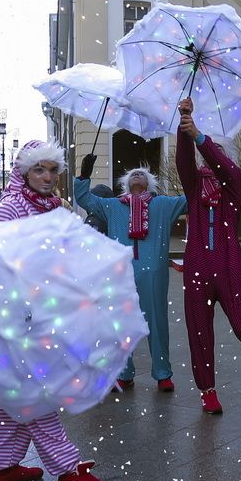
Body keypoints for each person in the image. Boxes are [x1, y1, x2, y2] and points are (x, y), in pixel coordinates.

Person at [0, 139, 114, 481]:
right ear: (24, 172)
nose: (47, 176)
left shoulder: (53, 209)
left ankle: (0, 467)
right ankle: (69, 472)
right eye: (39, 169)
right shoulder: (9, 209)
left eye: (53, 169)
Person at [175, 96, 241, 415]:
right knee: (198, 330)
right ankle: (207, 390)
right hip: (196, 267)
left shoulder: (235, 186)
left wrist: (201, 138)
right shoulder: (195, 187)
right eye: (208, 156)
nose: (210, 161)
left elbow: (229, 171)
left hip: (228, 265)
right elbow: (183, 163)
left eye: (217, 153)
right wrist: (184, 121)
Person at [75, 162, 187, 392]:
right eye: (133, 173)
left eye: (142, 173)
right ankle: (125, 373)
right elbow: (84, 198)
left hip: (154, 273)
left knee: (157, 323)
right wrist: (84, 175)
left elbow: (191, 199)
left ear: (149, 183)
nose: (137, 174)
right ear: (125, 184)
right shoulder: (112, 205)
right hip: (122, 275)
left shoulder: (162, 205)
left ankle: (163, 373)